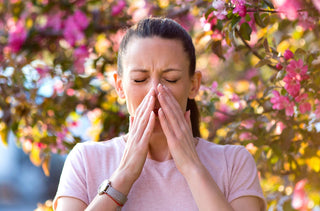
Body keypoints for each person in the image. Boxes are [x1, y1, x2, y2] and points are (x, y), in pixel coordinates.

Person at [53, 17, 266, 211]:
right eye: (139, 79)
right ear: (119, 86)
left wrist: (192, 167)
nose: (155, 91)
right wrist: (124, 175)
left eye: (171, 79)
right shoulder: (86, 160)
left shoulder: (233, 162)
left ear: (193, 85)